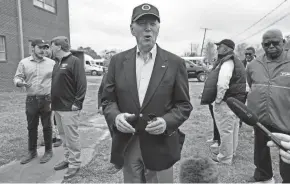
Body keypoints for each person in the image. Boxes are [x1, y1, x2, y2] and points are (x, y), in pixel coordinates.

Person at [101, 3, 192, 183]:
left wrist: (166, 122)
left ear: (159, 27)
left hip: (160, 144)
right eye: (142, 23)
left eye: (153, 23)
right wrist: (116, 117)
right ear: (132, 29)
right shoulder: (118, 62)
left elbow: (184, 105)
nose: (148, 29)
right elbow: (107, 101)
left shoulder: (175, 63)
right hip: (128, 141)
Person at [246, 29, 290, 183]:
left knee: (286, 153)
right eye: (267, 43)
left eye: (275, 42)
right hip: (260, 118)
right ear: (262, 45)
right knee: (260, 150)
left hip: (285, 118)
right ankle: (264, 176)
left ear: (283, 42)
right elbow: (251, 84)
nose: (271, 46)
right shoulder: (253, 65)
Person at [200, 39, 246, 165]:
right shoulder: (236, 61)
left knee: (226, 130)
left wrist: (218, 99)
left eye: (219, 46)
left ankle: (225, 158)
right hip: (236, 102)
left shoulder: (227, 61)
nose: (217, 48)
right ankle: (231, 153)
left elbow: (222, 83)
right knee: (233, 128)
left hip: (227, 101)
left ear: (226, 49)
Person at [50, 36, 87, 179]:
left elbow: (82, 84)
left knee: (72, 137)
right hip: (57, 107)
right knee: (63, 136)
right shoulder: (57, 63)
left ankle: (75, 164)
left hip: (69, 108)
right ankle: (67, 158)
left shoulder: (74, 61)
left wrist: (77, 103)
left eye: (52, 45)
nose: (51, 48)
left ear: (58, 47)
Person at [13, 39, 55, 164]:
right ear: (33, 48)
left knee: (47, 126)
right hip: (31, 99)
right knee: (31, 127)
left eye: (45, 48)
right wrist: (20, 83)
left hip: (46, 99)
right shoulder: (24, 63)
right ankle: (32, 152)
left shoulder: (52, 63)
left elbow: (58, 79)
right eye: (40, 47)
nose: (43, 50)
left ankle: (48, 151)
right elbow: (18, 77)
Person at [97, 52, 122, 174]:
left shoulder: (122, 73)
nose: (105, 61)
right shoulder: (106, 74)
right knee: (114, 136)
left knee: (120, 136)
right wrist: (100, 105)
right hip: (108, 111)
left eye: (107, 59)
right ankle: (118, 162)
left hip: (120, 111)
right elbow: (100, 91)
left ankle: (119, 163)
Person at [40, 41, 62, 147]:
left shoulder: (57, 62)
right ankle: (49, 138)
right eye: (43, 49)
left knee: (56, 116)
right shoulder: (41, 62)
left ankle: (58, 137)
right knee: (46, 116)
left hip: (56, 93)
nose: (45, 51)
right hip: (44, 93)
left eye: (47, 48)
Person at [239, 47, 256, 128]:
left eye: (250, 54)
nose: (248, 55)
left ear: (254, 54)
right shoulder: (241, 63)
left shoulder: (258, 63)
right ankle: (239, 123)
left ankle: (256, 126)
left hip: (254, 90)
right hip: (243, 89)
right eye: (246, 54)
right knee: (240, 106)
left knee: (254, 108)